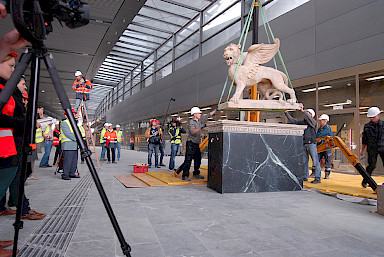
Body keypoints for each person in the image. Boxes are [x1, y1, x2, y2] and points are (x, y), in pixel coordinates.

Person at [285, 104, 322, 183]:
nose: (307, 114)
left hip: (311, 144)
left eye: (309, 113)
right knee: (304, 162)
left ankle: (318, 178)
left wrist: (303, 111)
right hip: (304, 143)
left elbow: (309, 118)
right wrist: (286, 113)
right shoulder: (303, 122)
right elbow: (294, 121)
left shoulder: (313, 123)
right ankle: (305, 176)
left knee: (315, 162)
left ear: (312, 116)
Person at [178, 107, 216, 181]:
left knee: (198, 159)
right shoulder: (191, 122)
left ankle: (196, 173)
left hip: (196, 143)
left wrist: (214, 111)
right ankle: (185, 175)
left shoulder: (199, 120)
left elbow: (207, 116)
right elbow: (193, 132)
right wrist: (201, 127)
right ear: (194, 114)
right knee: (188, 160)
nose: (200, 114)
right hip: (191, 143)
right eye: (199, 113)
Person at [360, 107, 384, 188]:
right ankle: (365, 180)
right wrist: (362, 150)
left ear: (378, 115)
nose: (372, 119)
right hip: (372, 148)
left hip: (382, 147)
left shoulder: (383, 125)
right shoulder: (367, 126)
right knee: (371, 165)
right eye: (370, 117)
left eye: (373, 117)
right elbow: (364, 140)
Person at [60, 109, 81, 180]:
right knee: (68, 160)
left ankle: (72, 173)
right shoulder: (65, 123)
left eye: (75, 114)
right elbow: (68, 133)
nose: (74, 115)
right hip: (68, 144)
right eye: (73, 114)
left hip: (74, 145)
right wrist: (78, 139)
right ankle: (65, 174)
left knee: (74, 160)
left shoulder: (74, 123)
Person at [316, 114, 333, 180]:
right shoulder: (320, 128)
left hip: (326, 147)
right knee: (317, 159)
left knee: (327, 160)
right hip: (320, 146)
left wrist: (318, 137)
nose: (320, 122)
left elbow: (319, 135)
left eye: (321, 120)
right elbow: (317, 135)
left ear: (325, 121)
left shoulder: (328, 128)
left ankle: (327, 174)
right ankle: (315, 173)